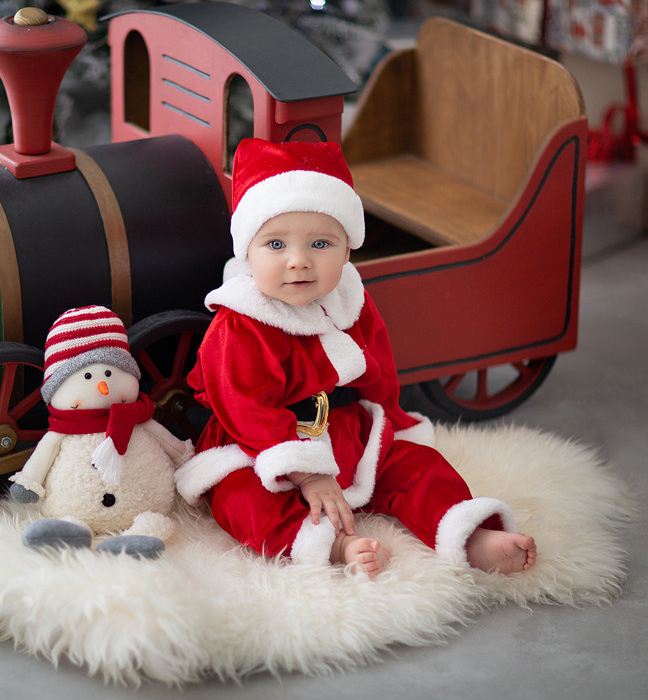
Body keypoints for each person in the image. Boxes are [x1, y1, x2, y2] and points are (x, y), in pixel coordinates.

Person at [174, 138, 536, 578]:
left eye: (321, 244)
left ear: (348, 251)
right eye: (275, 245)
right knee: (240, 499)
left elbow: (378, 370)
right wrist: (306, 473)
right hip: (261, 444)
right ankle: (332, 545)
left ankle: (468, 532)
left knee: (419, 467)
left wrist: (390, 425)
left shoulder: (350, 300)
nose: (298, 262)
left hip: (345, 430)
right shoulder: (242, 321)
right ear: (246, 252)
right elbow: (243, 404)